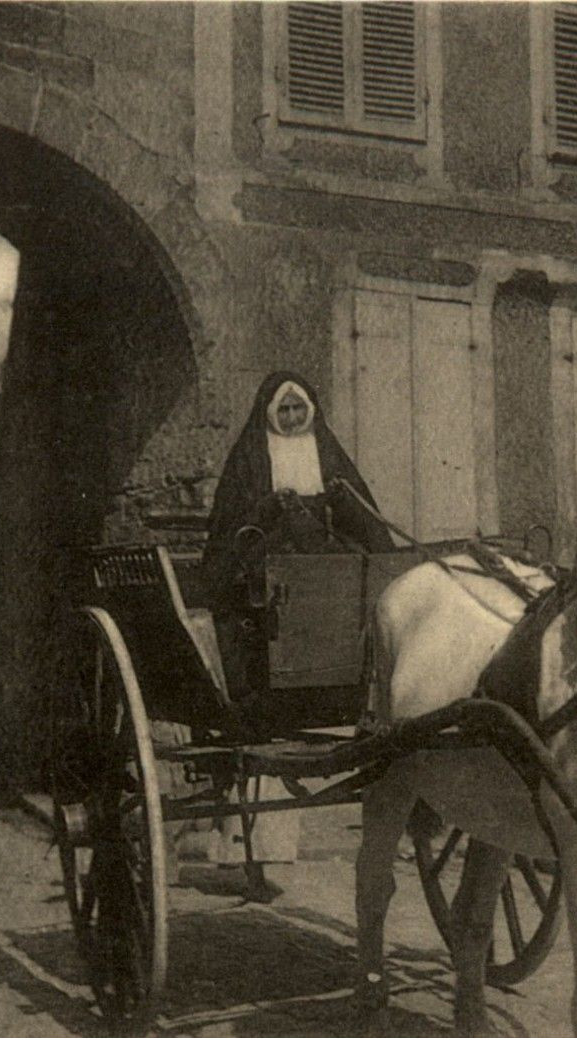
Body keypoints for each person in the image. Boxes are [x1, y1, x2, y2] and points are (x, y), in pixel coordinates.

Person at [197, 371, 392, 898]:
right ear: (268, 418)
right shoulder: (249, 462)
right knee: (275, 585)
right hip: (262, 576)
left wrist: (343, 507)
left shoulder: (329, 457)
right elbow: (228, 536)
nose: (289, 420)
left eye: (296, 412)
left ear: (311, 415)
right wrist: (268, 510)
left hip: (323, 573)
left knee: (350, 572)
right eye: (281, 413)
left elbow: (366, 523)